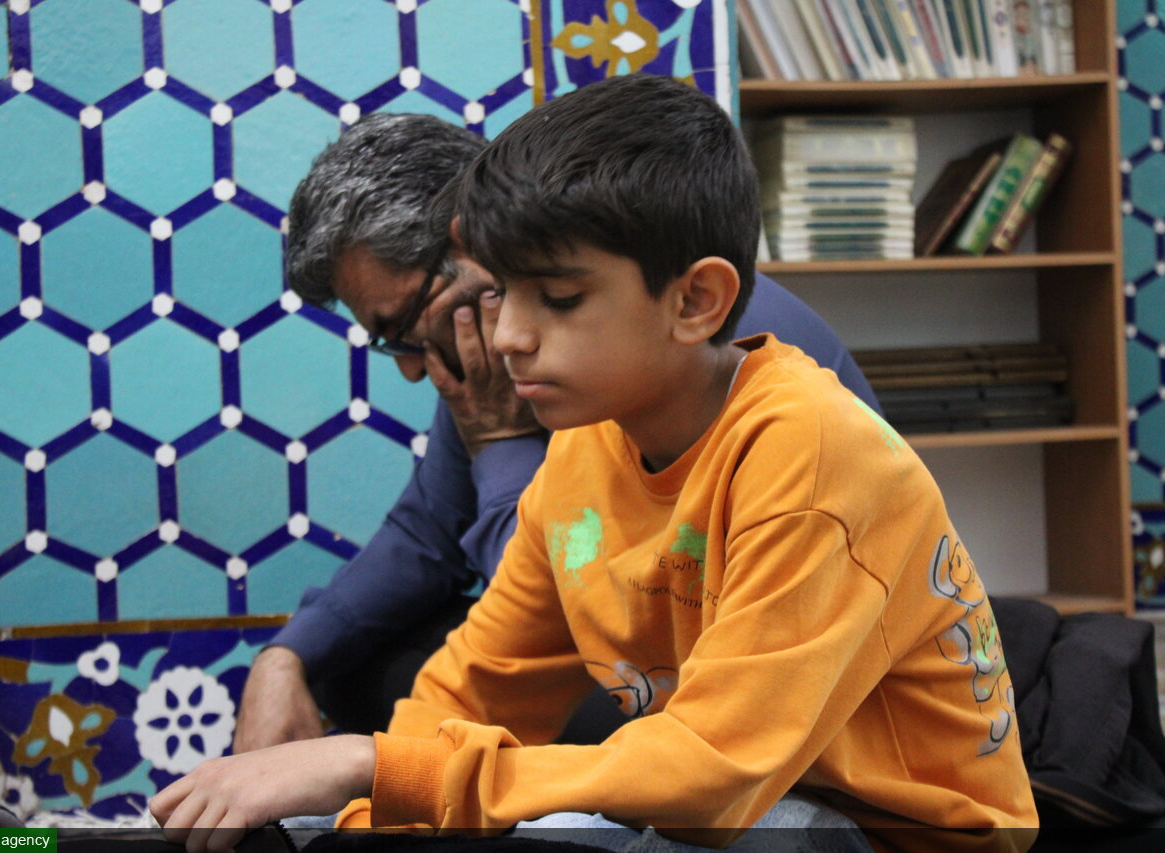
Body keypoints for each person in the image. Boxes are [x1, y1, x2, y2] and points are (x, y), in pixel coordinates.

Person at [152, 75, 1037, 851]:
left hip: (870, 822)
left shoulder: (808, 454)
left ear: (696, 301)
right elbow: (477, 681)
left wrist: (372, 764)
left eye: (557, 298)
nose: (508, 334)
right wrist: (355, 812)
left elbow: (712, 776)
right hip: (722, 783)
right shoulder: (583, 437)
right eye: (502, 292)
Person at [233, 112, 881, 751]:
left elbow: (603, 615)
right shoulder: (525, 356)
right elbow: (432, 532)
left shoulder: (689, 360)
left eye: (403, 324)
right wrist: (287, 657)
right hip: (658, 662)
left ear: (468, 248)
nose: (410, 366)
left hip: (762, 692)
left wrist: (501, 445)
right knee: (359, 666)